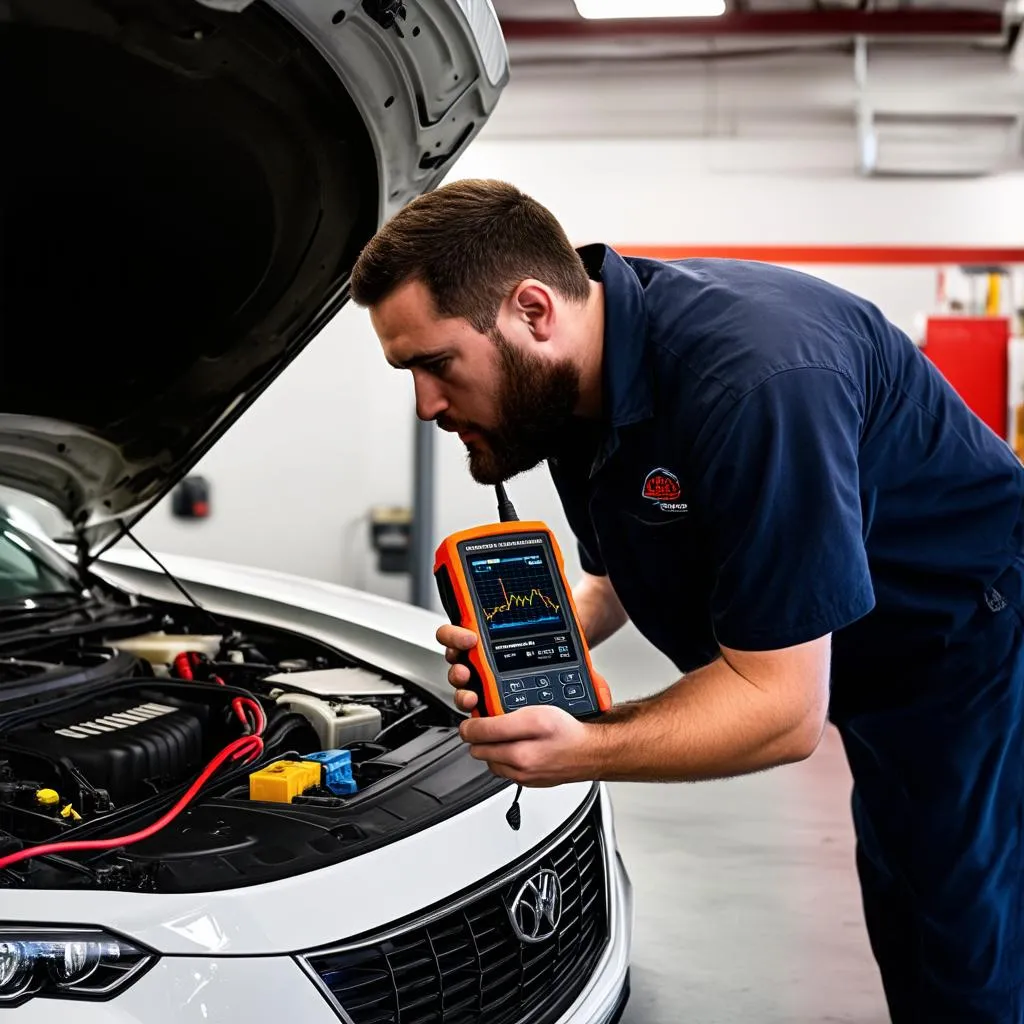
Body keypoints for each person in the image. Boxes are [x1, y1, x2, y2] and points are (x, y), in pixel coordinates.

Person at [350, 178, 1024, 1023]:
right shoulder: (568, 391)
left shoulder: (755, 382)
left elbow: (780, 711)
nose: (426, 406)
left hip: (966, 639)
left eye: (435, 363)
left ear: (532, 310)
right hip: (851, 655)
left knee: (960, 928)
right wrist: (540, 636)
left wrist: (582, 746)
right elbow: (619, 574)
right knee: (905, 891)